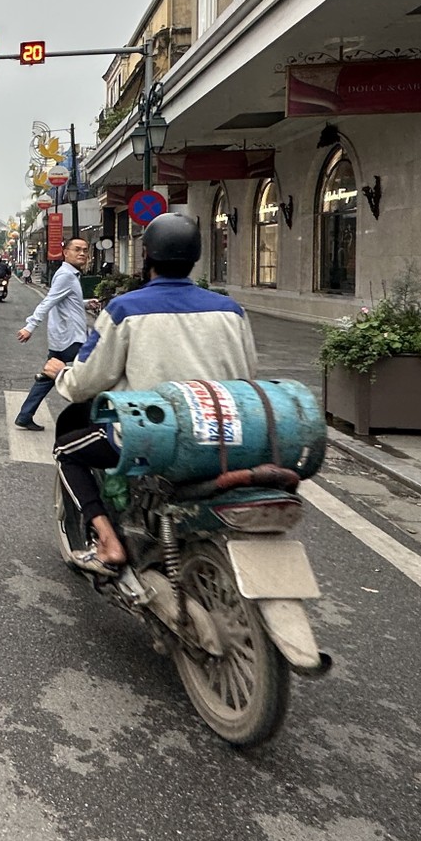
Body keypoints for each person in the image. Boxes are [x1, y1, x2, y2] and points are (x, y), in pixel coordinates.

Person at [42, 214, 259, 574]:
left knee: (69, 451)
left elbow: (85, 381)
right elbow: (249, 376)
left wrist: (60, 373)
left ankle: (108, 543)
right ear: (195, 258)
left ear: (147, 256)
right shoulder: (231, 310)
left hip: (154, 436)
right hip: (224, 434)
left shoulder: (125, 309)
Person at [14, 237, 91, 431]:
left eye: (85, 250)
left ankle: (25, 415)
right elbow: (48, 301)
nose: (82, 253)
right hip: (72, 339)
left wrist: (86, 304)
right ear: (65, 252)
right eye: (77, 249)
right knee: (92, 375)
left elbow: (66, 302)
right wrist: (30, 326)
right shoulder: (66, 275)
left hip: (63, 338)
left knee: (48, 376)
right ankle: (88, 423)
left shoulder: (69, 275)